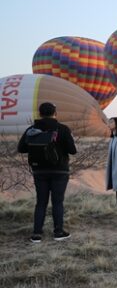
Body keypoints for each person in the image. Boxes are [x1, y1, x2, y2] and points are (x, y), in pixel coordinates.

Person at [17, 102, 77, 243]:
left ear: (39, 113)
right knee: (57, 202)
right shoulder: (62, 129)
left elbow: (21, 148)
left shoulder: (31, 129)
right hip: (60, 170)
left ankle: (37, 234)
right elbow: (73, 150)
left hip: (39, 171)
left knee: (41, 202)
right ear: (55, 113)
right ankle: (58, 232)